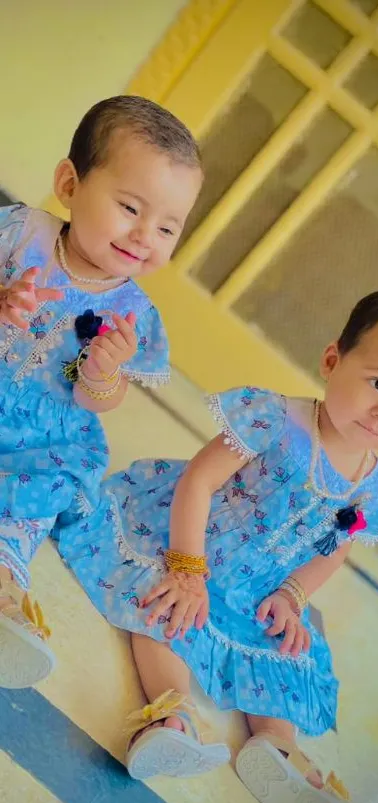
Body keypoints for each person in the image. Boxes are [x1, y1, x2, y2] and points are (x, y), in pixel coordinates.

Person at [57, 289, 378, 803]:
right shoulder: (277, 420)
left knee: (283, 653)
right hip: (187, 539)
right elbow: (199, 479)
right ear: (333, 360)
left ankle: (279, 755)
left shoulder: (377, 493)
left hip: (258, 585)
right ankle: (172, 715)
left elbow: (332, 550)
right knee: (165, 607)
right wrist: (187, 568)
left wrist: (292, 595)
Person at [0, 95, 202, 691]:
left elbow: (101, 404)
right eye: (129, 207)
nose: (145, 236)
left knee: (45, 487)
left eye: (167, 227)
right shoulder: (18, 235)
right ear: (69, 182)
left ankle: (5, 588)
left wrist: (100, 375)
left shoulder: (134, 315)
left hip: (47, 430)